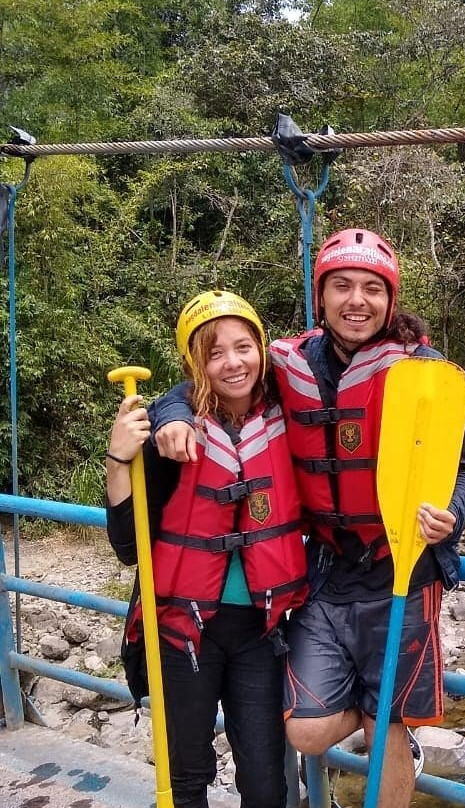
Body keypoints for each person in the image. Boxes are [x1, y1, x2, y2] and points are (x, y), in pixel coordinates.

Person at [150, 228, 465, 808]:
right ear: (320, 296)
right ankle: (383, 705)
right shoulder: (287, 365)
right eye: (342, 286)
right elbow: (216, 381)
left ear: (390, 299)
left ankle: (393, 716)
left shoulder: (421, 371)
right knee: (303, 729)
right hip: (325, 569)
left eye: (372, 289)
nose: (357, 300)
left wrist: (450, 513)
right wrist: (170, 411)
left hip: (400, 566)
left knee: (391, 725)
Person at [105, 290, 309, 808]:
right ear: (195, 363)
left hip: (259, 632)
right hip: (184, 632)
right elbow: (129, 546)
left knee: (266, 783)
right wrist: (117, 458)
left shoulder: (290, 419)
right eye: (214, 353)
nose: (233, 363)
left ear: (261, 349)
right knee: (187, 776)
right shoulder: (170, 434)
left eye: (243, 347)